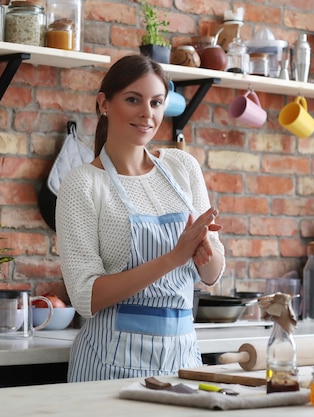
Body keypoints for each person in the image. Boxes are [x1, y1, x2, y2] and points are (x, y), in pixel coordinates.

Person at [55, 55, 225, 382]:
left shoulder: (183, 167)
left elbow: (212, 274)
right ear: (104, 103)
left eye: (157, 102)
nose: (147, 113)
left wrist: (204, 247)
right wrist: (175, 256)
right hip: (108, 366)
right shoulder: (83, 184)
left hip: (182, 362)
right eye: (133, 100)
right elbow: (86, 297)